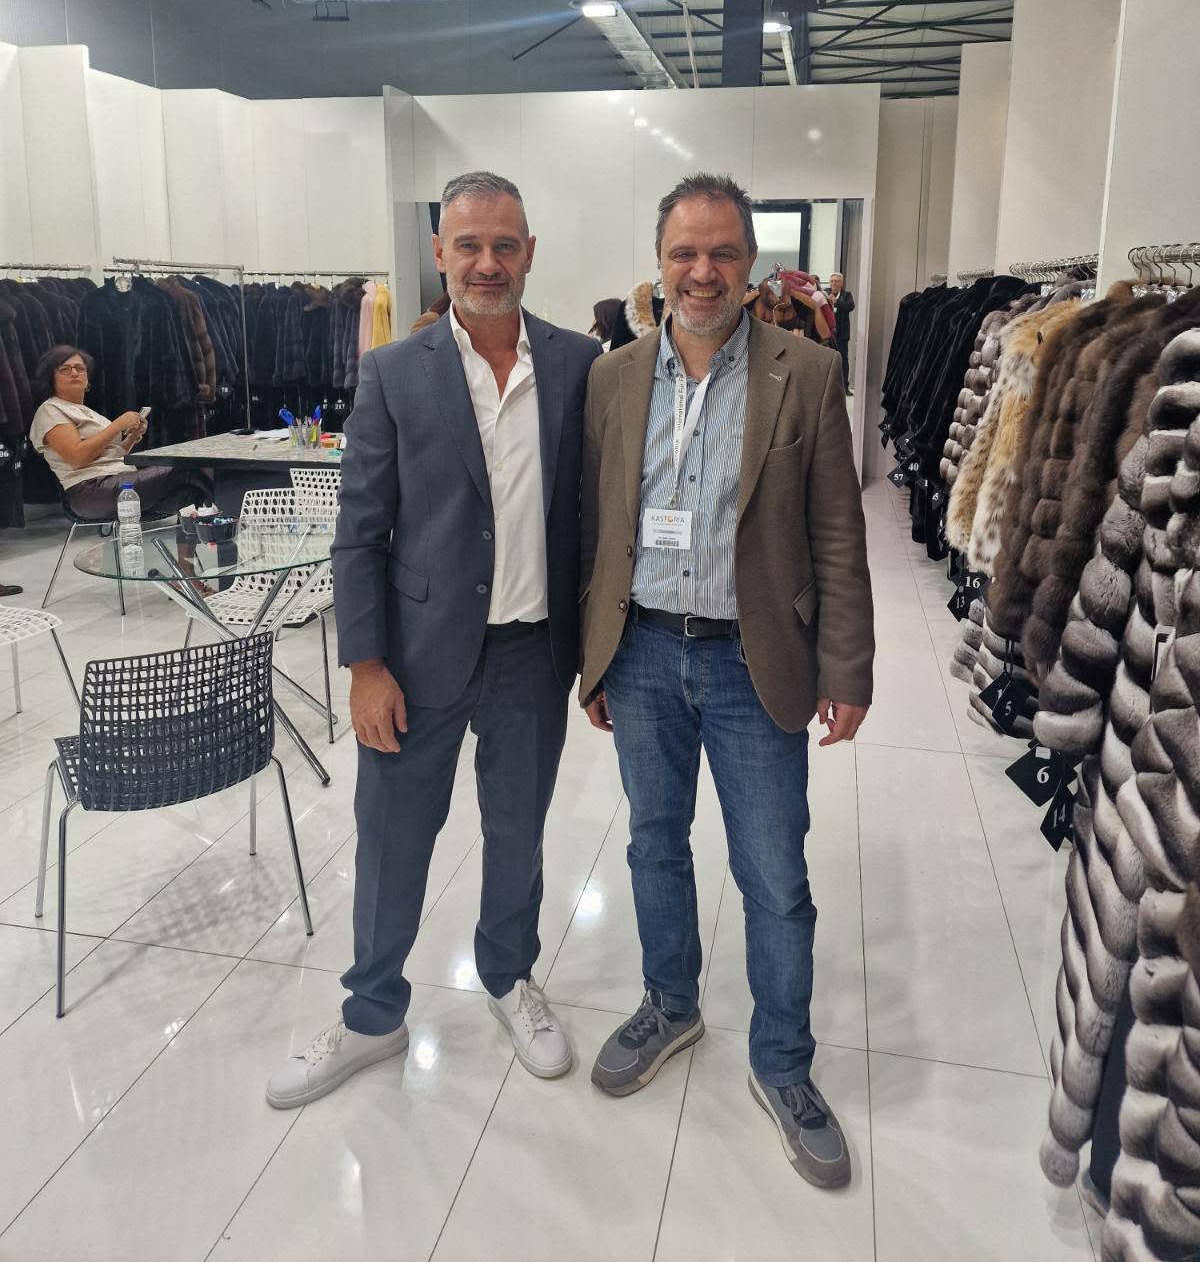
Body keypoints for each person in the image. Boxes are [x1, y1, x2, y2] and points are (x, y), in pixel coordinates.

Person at [267, 171, 601, 1110]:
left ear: (529, 253)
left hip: (532, 653)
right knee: (393, 839)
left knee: (518, 833)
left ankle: (509, 978)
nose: (487, 263)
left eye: (505, 245)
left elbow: (594, 513)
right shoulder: (392, 371)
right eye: (469, 246)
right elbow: (359, 531)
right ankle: (372, 1014)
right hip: (414, 659)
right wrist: (365, 665)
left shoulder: (579, 365)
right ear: (441, 254)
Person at [578, 173, 874, 1189]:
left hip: (758, 661)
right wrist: (595, 655)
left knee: (774, 874)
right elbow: (599, 527)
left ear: (751, 266)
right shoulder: (613, 377)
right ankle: (671, 1003)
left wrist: (849, 666)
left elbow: (838, 534)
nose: (702, 272)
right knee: (653, 843)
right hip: (644, 653)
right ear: (659, 263)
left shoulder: (808, 370)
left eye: (722, 253)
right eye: (684, 253)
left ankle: (783, 1060)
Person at [29, 345, 213, 520]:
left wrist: (131, 438)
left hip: (116, 481)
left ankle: (193, 542)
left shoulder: (86, 411)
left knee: (189, 493)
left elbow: (107, 455)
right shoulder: (51, 410)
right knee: (189, 466)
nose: (75, 373)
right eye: (65, 369)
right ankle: (224, 525)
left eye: (80, 368)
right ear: (51, 377)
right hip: (90, 490)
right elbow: (78, 458)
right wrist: (117, 425)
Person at [827, 271, 855, 391]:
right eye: (832, 281)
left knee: (843, 359)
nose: (834, 283)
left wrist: (836, 301)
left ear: (841, 283)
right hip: (828, 334)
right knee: (828, 359)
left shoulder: (846, 295)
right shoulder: (825, 293)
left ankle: (845, 387)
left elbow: (850, 306)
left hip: (842, 334)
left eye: (837, 281)